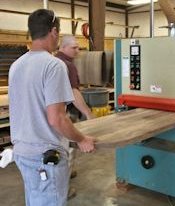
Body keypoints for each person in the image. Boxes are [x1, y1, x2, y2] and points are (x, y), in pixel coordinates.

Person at [8, 9, 95, 206]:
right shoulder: (54, 65)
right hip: (45, 156)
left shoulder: (16, 65)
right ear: (53, 32)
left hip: (22, 152)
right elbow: (57, 118)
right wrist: (82, 139)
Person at [55, 35, 95, 199]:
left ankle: (66, 173)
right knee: (69, 148)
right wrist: (87, 112)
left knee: (62, 147)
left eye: (79, 47)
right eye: (74, 48)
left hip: (54, 112)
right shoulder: (67, 65)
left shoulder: (54, 61)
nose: (78, 51)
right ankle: (63, 189)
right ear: (62, 47)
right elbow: (73, 92)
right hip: (65, 112)